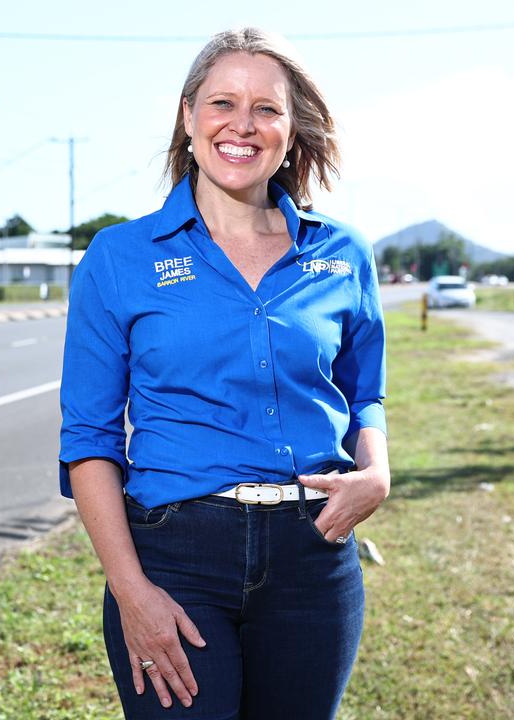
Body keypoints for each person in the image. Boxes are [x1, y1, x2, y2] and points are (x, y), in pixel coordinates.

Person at [59, 27, 389, 719]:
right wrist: (130, 589)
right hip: (175, 559)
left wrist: (376, 474)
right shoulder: (120, 257)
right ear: (188, 118)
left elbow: (365, 395)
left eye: (267, 108)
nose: (243, 125)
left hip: (314, 554)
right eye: (221, 103)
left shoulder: (343, 254)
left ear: (292, 130)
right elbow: (88, 438)